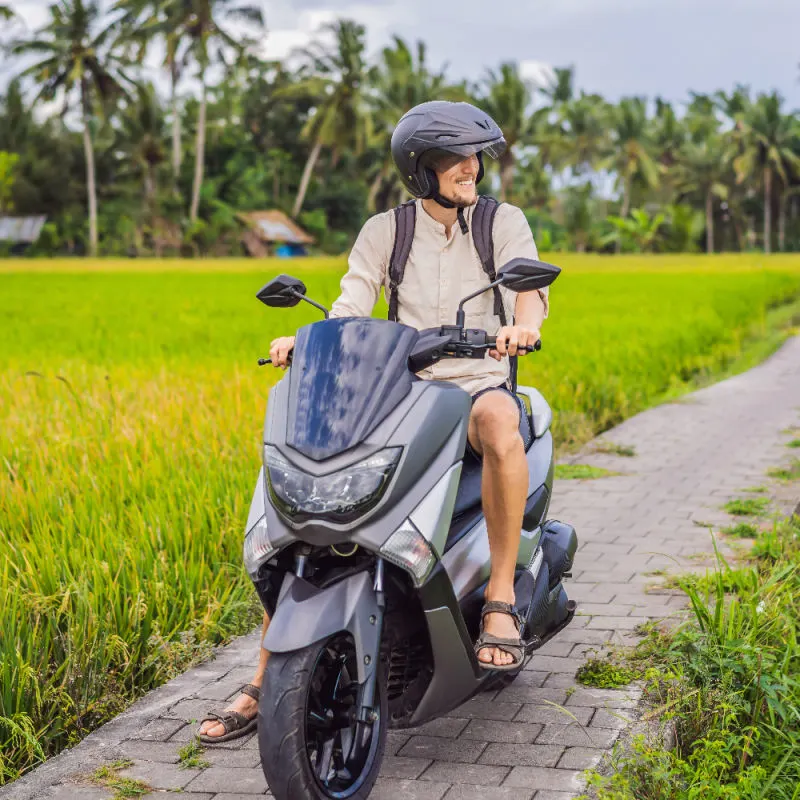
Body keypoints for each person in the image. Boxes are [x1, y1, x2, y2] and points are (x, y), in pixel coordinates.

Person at [199, 100, 548, 741]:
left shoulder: (503, 222)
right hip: (401, 384)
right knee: (322, 493)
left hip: (475, 382)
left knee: (500, 420)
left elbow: (529, 288)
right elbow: (350, 303)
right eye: (456, 158)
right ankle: (268, 667)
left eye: (475, 155)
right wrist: (304, 339)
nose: (472, 167)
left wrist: (522, 327)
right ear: (421, 168)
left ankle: (499, 600)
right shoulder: (385, 231)